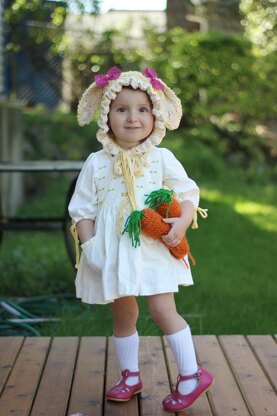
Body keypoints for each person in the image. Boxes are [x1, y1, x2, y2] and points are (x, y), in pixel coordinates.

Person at [68, 66, 213, 412]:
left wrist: (181, 221)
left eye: (142, 109)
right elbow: (82, 210)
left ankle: (192, 374)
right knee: (123, 314)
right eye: (122, 109)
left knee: (162, 308)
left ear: (155, 115)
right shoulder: (96, 162)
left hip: (153, 247)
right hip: (112, 252)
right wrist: (90, 248)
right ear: (106, 117)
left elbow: (188, 194)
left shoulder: (161, 158)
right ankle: (130, 375)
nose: (133, 118)